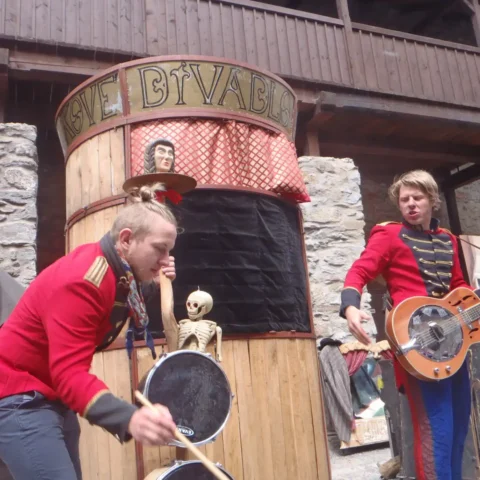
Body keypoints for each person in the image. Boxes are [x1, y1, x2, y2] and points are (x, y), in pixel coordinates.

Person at [0, 183, 178, 480]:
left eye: (169, 251)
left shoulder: (118, 273)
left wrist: (153, 282)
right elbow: (69, 374)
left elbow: (116, 305)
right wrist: (130, 417)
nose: (165, 260)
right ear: (126, 239)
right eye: (160, 249)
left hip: (50, 395)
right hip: (18, 394)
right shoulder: (82, 281)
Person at [340, 170, 472, 480]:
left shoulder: (448, 239)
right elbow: (359, 271)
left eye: (417, 197)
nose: (410, 204)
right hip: (417, 346)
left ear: (432, 200)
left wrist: (471, 303)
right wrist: (350, 305)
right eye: (404, 199)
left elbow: (458, 287)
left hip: (453, 342)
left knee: (458, 428)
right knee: (436, 432)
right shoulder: (389, 235)